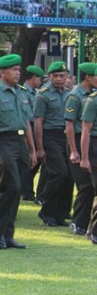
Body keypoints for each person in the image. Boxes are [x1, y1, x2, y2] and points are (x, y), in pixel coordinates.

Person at [0, 54, 37, 249]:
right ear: (2, 72)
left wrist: (32, 150)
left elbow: (27, 124)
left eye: (18, 70)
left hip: (20, 142)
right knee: (11, 186)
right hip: (3, 141)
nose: (17, 73)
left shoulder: (21, 92)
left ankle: (8, 234)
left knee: (18, 189)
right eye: (13, 70)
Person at [35, 61, 72, 227]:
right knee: (59, 173)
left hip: (65, 136)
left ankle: (60, 214)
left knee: (69, 176)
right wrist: (40, 147)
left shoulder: (68, 94)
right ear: (49, 77)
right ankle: (46, 209)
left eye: (62, 76)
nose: (59, 79)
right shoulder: (43, 95)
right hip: (49, 136)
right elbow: (38, 122)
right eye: (55, 76)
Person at [65, 62, 97, 235]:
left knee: (91, 186)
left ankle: (85, 223)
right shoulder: (75, 96)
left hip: (88, 140)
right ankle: (78, 222)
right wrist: (74, 150)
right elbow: (70, 125)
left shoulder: (92, 94)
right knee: (85, 185)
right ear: (88, 77)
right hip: (78, 139)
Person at [21, 65, 44, 201]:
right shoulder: (23, 92)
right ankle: (26, 190)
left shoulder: (35, 93)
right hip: (27, 126)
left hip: (34, 127)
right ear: (34, 78)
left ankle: (28, 190)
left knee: (36, 160)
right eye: (39, 78)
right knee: (29, 160)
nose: (40, 81)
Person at [79, 71, 97, 244]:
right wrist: (84, 157)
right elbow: (86, 131)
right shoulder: (93, 101)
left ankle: (92, 230)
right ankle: (94, 231)